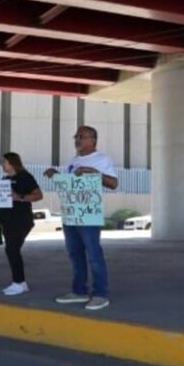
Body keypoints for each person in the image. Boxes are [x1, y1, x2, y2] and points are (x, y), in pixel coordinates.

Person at [44, 125, 118, 311]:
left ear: (93, 140)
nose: (77, 139)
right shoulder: (72, 161)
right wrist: (56, 175)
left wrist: (94, 173)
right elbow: (72, 185)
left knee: (94, 255)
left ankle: (100, 294)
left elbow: (113, 183)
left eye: (82, 136)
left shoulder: (102, 160)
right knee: (75, 254)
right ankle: (79, 291)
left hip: (89, 216)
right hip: (70, 215)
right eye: (76, 136)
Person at [0, 152, 43, 296]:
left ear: (12, 162)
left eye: (4, 162)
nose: (2, 164)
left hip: (21, 220)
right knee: (11, 250)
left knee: (12, 249)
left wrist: (20, 197)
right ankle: (19, 282)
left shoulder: (25, 177)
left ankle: (19, 282)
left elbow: (38, 195)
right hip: (6, 220)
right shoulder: (4, 179)